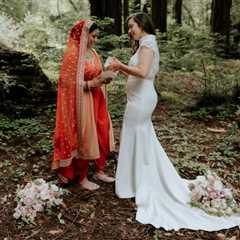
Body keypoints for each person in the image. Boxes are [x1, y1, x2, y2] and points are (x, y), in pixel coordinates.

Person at [108, 12, 240, 230]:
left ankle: (141, 183)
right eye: (129, 27)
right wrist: (119, 70)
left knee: (138, 136)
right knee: (141, 137)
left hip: (142, 101)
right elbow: (138, 74)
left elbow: (142, 72)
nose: (130, 30)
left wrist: (120, 65)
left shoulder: (148, 44)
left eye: (132, 26)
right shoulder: (143, 45)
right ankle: (133, 181)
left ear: (142, 25)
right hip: (138, 98)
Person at [52, 20, 116, 191]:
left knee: (102, 130)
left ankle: (99, 170)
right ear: (83, 34)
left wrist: (108, 74)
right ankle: (82, 176)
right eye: (92, 36)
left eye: (97, 37)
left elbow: (98, 74)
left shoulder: (93, 52)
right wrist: (91, 84)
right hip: (82, 102)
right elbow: (67, 84)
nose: (95, 40)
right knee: (85, 136)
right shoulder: (73, 54)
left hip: (97, 99)